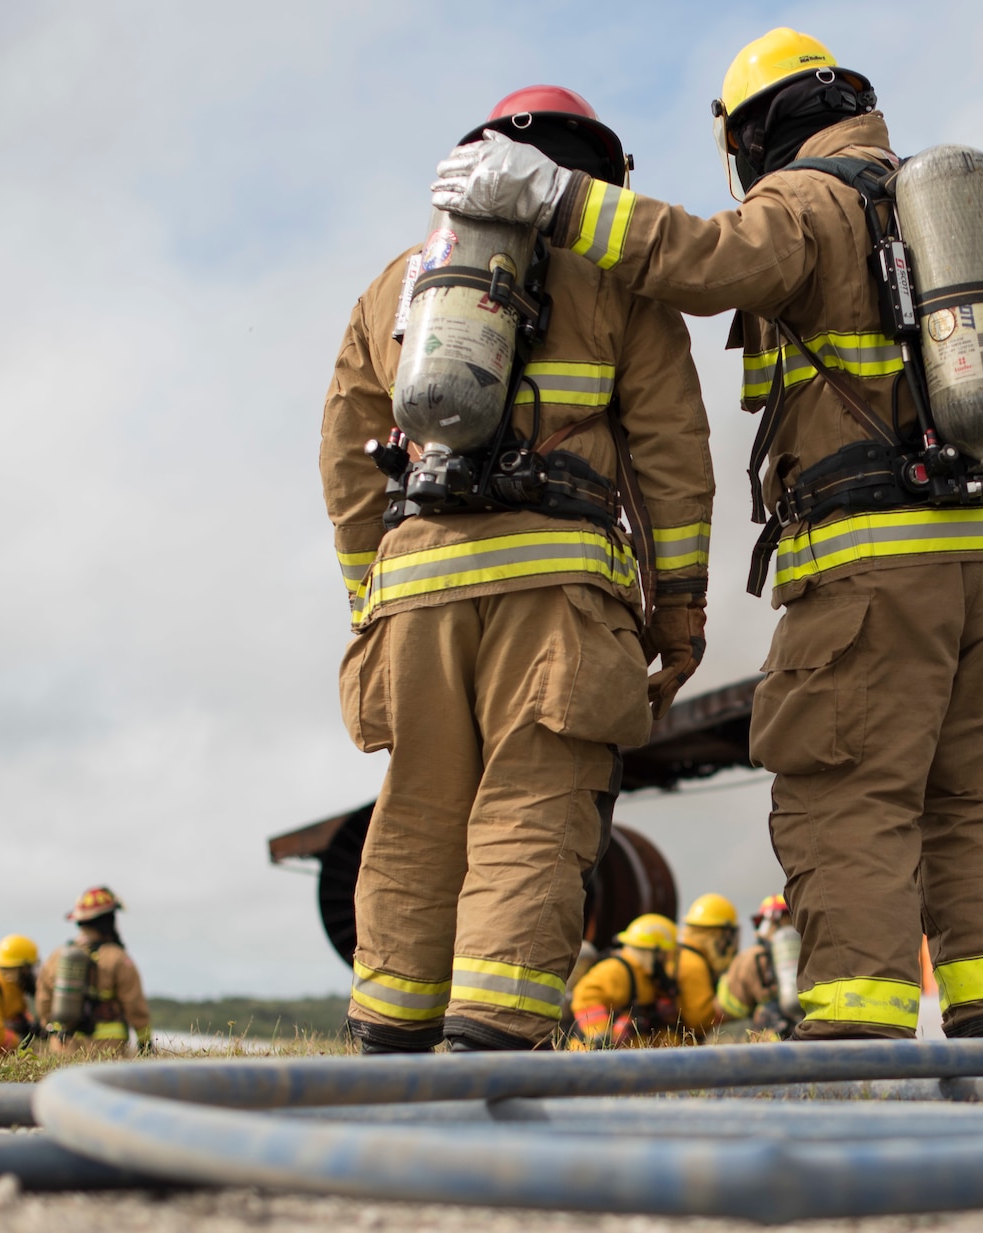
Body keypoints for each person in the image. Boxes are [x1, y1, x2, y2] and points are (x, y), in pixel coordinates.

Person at [428, 30, 983, 1040]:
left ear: (753, 133)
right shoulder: (968, 230)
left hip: (870, 565)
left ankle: (855, 1033)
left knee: (848, 792)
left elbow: (705, 261)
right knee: (980, 791)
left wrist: (556, 201)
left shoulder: (806, 201)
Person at [324, 86, 715, 1055]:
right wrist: (676, 618)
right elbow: (673, 458)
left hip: (413, 592)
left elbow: (343, 454)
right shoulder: (618, 285)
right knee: (531, 812)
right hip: (558, 597)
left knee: (416, 810)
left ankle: (387, 1038)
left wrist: (364, 595)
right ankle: (488, 1042)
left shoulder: (397, 285)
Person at [37, 886, 153, 1054]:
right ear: (109, 920)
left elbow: (44, 1000)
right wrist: (146, 1043)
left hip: (63, 1048)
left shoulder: (58, 956)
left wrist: (53, 1030)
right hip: (107, 1050)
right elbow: (135, 1006)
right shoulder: (119, 959)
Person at [569, 914, 681, 1047]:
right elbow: (585, 995)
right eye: (664, 955)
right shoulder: (616, 970)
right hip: (596, 1058)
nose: (666, 961)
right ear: (651, 952)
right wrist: (601, 1038)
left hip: (627, 1057)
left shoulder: (643, 975)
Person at [715, 894, 802, 1039]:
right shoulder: (811, 950)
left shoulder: (749, 957)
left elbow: (727, 1007)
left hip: (766, 1036)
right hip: (808, 1030)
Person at [675, 893, 739, 1036]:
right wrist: (736, 1009)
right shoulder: (694, 964)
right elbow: (700, 1021)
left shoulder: (685, 955)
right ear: (718, 934)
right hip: (677, 1048)